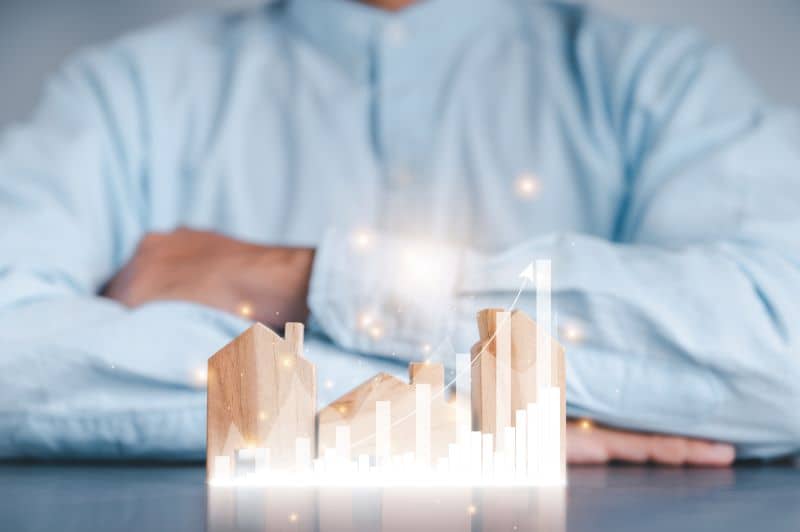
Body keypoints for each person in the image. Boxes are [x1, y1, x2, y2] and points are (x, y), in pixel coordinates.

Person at [0, 0, 798, 466]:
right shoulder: (125, 94)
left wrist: (294, 280)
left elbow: (780, 344)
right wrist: (451, 407)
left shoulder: (662, 84)